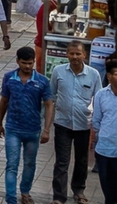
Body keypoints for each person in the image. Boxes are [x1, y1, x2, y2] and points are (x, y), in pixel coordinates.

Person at [0, 46, 54, 204]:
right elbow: (4, 101)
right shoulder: (9, 78)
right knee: (12, 164)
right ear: (17, 61)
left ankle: (25, 192)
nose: (28, 66)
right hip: (13, 129)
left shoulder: (42, 81)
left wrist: (47, 129)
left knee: (30, 164)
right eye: (24, 63)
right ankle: (10, 198)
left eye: (30, 63)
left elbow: (49, 104)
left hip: (33, 130)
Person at [49, 41, 100, 204]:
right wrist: (46, 125)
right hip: (62, 123)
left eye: (78, 53)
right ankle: (59, 196)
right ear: (67, 54)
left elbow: (99, 100)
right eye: (71, 53)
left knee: (81, 160)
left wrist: (97, 126)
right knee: (61, 162)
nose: (75, 57)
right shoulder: (58, 71)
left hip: (84, 124)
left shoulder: (94, 75)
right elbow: (51, 96)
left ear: (84, 55)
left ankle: (78, 191)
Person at [90, 59, 117, 204]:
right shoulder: (101, 94)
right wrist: (103, 135)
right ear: (109, 76)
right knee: (108, 189)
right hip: (104, 149)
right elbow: (96, 120)